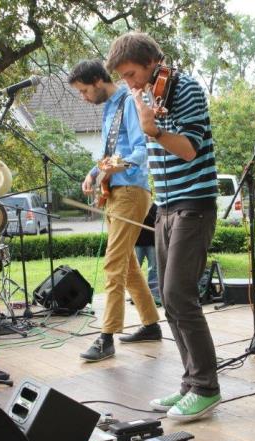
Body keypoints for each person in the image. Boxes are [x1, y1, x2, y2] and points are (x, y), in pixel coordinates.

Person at [106, 32, 221, 421]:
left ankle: (207, 387)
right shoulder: (149, 96)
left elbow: (189, 149)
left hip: (194, 203)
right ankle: (191, 382)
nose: (129, 83)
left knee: (179, 293)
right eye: (123, 77)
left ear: (153, 62)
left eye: (132, 73)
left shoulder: (185, 88)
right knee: (168, 299)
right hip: (167, 205)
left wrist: (153, 128)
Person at [68, 59, 161, 362]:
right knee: (129, 265)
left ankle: (106, 336)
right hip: (115, 191)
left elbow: (141, 148)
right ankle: (150, 324)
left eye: (84, 91)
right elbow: (110, 151)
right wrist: (94, 173)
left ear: (97, 81)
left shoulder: (130, 102)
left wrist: (117, 166)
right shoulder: (110, 108)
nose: (83, 98)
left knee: (113, 263)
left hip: (131, 191)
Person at [134, 203, 161, 306]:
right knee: (135, 269)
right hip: (138, 243)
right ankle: (136, 293)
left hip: (152, 244)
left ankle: (153, 292)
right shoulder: (137, 206)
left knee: (153, 268)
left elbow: (159, 222)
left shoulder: (155, 208)